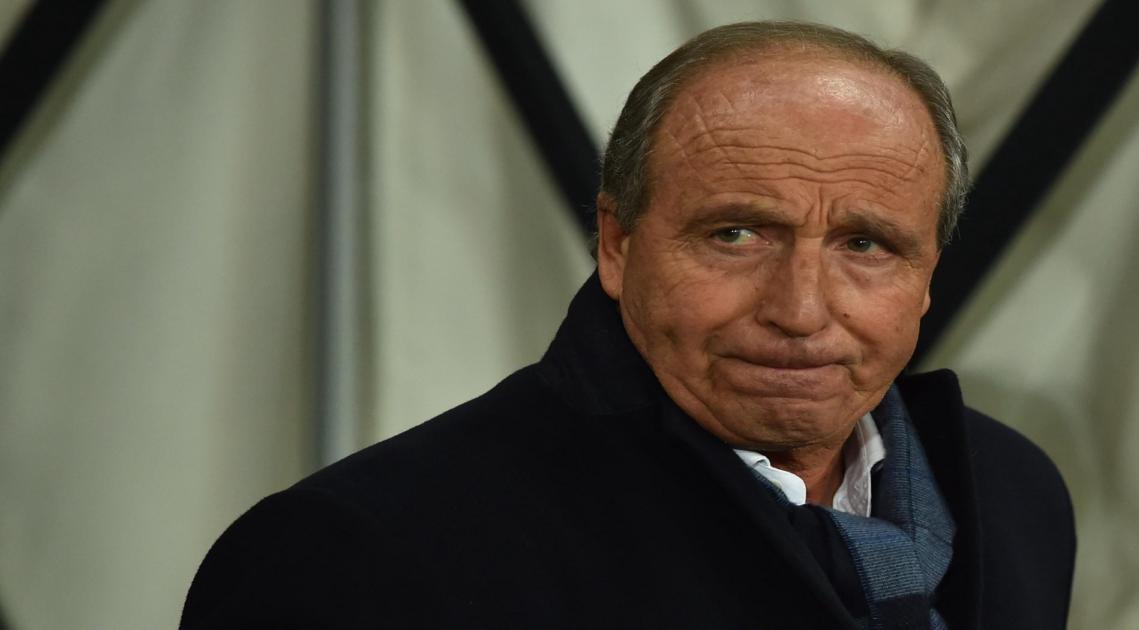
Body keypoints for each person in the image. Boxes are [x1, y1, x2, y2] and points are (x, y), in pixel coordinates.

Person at [181, 21, 1074, 629]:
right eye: (735, 234)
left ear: (927, 274)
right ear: (616, 243)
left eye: (866, 245)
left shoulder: (1011, 495)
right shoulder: (357, 553)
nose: (801, 310)